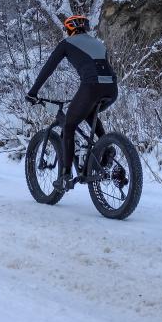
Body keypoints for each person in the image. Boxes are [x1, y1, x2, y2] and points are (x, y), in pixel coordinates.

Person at [26, 15, 118, 192]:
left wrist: (33, 92)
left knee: (69, 125)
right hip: (112, 89)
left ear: (70, 29)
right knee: (90, 113)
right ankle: (106, 147)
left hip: (91, 87)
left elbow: (48, 69)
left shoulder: (67, 43)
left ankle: (65, 176)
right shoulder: (99, 43)